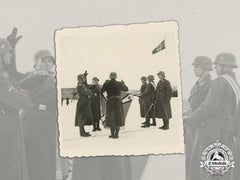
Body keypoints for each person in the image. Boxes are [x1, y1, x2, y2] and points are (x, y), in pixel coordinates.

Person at [184, 53, 239, 180]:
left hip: (211, 133)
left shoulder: (220, 81)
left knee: (203, 171)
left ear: (223, 66)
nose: (215, 68)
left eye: (217, 65)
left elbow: (208, 107)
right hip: (226, 132)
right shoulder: (234, 83)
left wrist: (189, 120)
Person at [19, 49, 57, 180]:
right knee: (35, 164)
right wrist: (39, 75)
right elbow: (21, 85)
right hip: (33, 125)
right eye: (44, 61)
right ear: (37, 63)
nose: (48, 64)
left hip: (49, 125)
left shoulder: (54, 81)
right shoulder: (33, 77)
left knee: (48, 163)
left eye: (50, 61)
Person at [0, 38, 31, 180]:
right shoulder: (1, 77)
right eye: (8, 53)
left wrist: (20, 93)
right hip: (5, 129)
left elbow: (19, 93)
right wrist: (22, 94)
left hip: (8, 127)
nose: (10, 56)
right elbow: (18, 101)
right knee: (9, 169)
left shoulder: (5, 75)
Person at [185, 56, 213, 177]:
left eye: (197, 67)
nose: (194, 69)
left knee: (200, 164)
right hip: (192, 129)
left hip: (202, 130)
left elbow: (208, 109)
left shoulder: (212, 85)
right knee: (191, 162)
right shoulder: (196, 85)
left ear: (205, 69)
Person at [101, 72, 128, 139]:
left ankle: (112, 134)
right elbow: (126, 89)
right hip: (118, 101)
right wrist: (123, 83)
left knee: (111, 117)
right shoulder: (119, 83)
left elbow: (101, 91)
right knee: (118, 117)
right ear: (116, 77)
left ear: (109, 76)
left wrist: (105, 84)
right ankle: (116, 134)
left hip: (110, 101)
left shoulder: (106, 83)